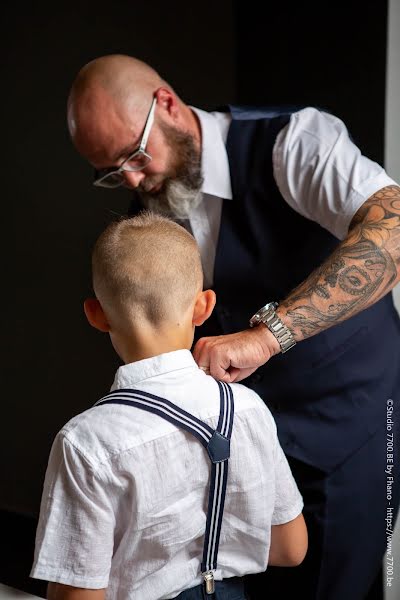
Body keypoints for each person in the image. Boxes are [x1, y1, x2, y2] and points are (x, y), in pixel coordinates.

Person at [66, 55, 400, 600]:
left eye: (134, 154)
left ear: (167, 104)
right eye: (110, 171)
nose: (130, 179)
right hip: (239, 435)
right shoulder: (146, 207)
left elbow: (397, 228)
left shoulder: (294, 142)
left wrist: (270, 334)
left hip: (348, 416)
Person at [30, 212, 307, 600]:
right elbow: (290, 549)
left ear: (96, 315)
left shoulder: (86, 443)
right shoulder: (246, 408)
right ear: (203, 307)